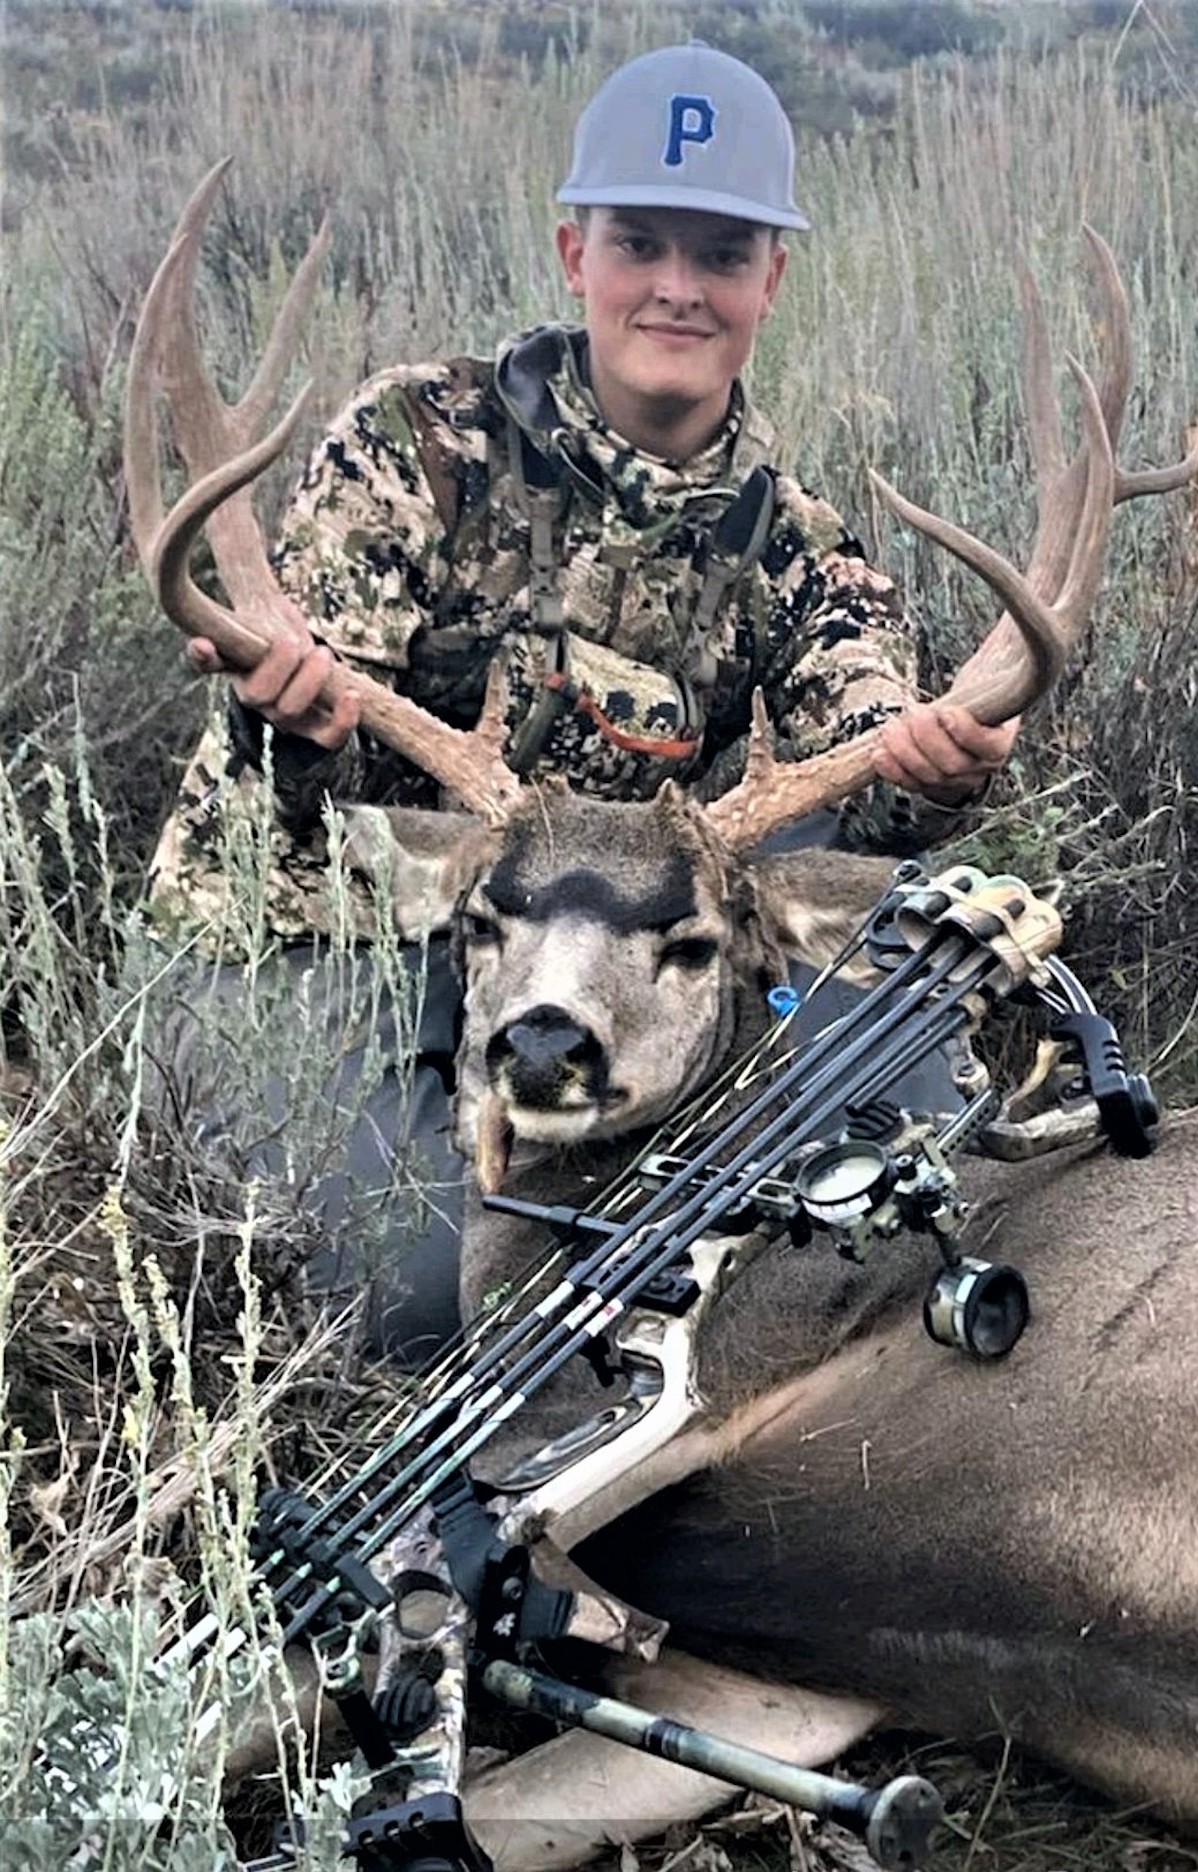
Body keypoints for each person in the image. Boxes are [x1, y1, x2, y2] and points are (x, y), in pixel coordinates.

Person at [146, 44, 1016, 1359]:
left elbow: (862, 766)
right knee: (419, 1287)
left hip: (584, 953)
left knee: (871, 1070)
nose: (678, 286)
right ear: (575, 256)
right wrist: (296, 724)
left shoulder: (800, 551)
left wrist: (934, 771)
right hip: (313, 944)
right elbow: (309, 801)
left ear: (770, 280)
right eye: (639, 244)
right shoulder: (415, 445)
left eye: (721, 254)